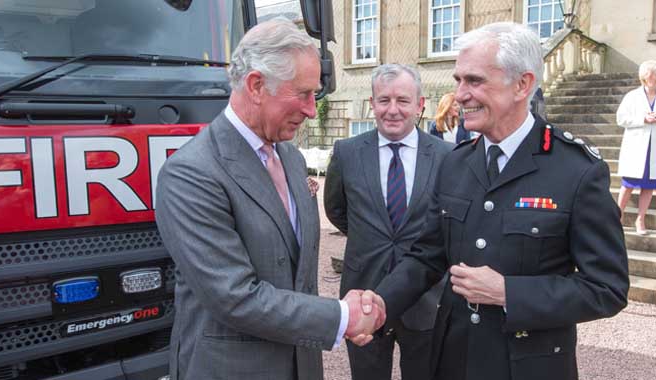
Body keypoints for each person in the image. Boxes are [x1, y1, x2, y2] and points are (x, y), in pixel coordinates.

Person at [369, 22, 629, 380]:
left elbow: (607, 288)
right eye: (459, 80)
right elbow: (427, 255)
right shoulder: (455, 163)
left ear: (522, 84)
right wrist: (381, 302)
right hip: (452, 361)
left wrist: (510, 292)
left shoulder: (577, 170)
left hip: (528, 367)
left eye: (474, 81)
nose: (459, 94)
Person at [155, 18, 383, 380]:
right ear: (257, 85)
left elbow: (298, 276)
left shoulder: (291, 158)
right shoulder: (191, 173)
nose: (312, 109)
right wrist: (343, 316)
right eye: (303, 93)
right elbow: (235, 296)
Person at [324, 64, 453, 380]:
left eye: (403, 100)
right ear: (372, 103)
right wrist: (369, 238)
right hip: (363, 295)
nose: (392, 110)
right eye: (384, 100)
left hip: (426, 296)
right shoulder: (347, 152)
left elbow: (451, 220)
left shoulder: (447, 156)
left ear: (420, 105)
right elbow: (335, 209)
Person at [616, 60, 656, 235]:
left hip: (653, 148)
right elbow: (621, 119)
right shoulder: (632, 96)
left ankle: (640, 220)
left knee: (649, 185)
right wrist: (642, 118)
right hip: (637, 147)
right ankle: (617, 216)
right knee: (628, 184)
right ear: (646, 77)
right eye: (653, 75)